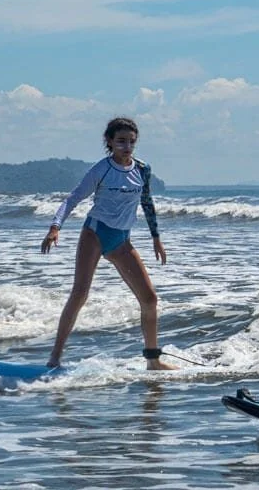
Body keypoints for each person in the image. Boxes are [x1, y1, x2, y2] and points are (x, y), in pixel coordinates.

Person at [40, 117, 177, 371]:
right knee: (80, 294)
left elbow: (147, 203)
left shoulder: (142, 170)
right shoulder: (101, 169)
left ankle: (153, 360)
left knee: (149, 299)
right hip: (95, 233)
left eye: (131, 142)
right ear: (110, 142)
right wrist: (55, 227)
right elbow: (73, 198)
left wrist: (156, 239)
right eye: (121, 141)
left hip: (121, 240)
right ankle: (54, 358)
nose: (127, 147)